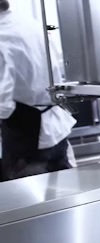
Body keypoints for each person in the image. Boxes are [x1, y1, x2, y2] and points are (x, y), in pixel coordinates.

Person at [0, 0, 76, 181]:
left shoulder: (3, 37)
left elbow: (3, 105)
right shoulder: (30, 26)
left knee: (27, 205)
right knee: (65, 195)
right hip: (56, 131)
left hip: (28, 141)